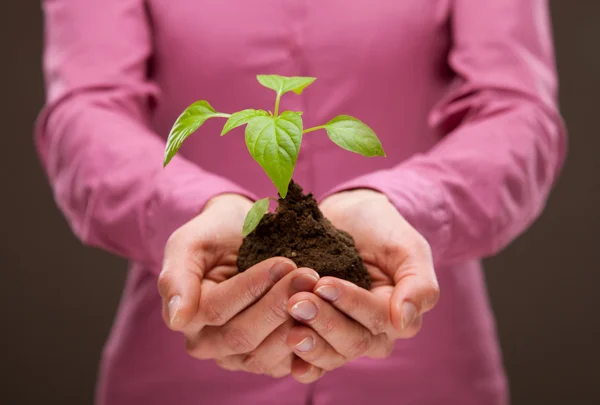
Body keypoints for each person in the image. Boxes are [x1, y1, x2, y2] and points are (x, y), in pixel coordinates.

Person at [35, 1, 566, 404]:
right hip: (191, 338)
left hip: (420, 350)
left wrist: (406, 202)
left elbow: (515, 110)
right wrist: (194, 206)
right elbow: (86, 108)